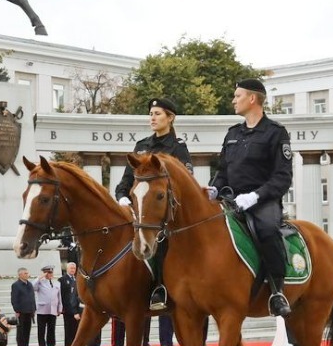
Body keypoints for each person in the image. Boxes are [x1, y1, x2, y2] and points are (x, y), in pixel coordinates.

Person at [209, 78, 295, 316]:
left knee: (267, 231)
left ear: (252, 98)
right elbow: (223, 171)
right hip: (230, 199)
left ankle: (277, 291)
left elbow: (282, 177)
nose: (233, 100)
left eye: (237, 96)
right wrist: (214, 189)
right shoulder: (233, 133)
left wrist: (255, 196)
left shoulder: (275, 133)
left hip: (262, 202)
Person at [115, 97, 194, 311]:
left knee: (161, 238)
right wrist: (122, 196)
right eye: (151, 114)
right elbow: (126, 181)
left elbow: (187, 183)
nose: (152, 117)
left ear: (170, 118)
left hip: (165, 214)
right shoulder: (141, 147)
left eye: (158, 113)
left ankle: (159, 287)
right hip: (140, 211)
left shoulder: (178, 148)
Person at [60, 261, 92, 346]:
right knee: (81, 332)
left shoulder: (91, 282)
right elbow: (73, 298)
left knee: (90, 332)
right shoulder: (77, 282)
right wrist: (75, 312)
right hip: (81, 310)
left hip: (90, 310)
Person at [34, 264, 61, 346]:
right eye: (48, 272)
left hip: (53, 309)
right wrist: (40, 277)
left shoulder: (56, 283)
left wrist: (59, 308)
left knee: (51, 329)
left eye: (51, 272)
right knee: (41, 329)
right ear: (45, 273)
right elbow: (32, 286)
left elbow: (59, 296)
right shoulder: (40, 282)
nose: (50, 274)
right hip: (42, 310)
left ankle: (51, 345)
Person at [9, 267, 36, 346]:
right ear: (20, 275)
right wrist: (16, 310)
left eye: (27, 273)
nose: (27, 275)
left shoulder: (30, 284)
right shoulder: (16, 285)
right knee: (21, 330)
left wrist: (33, 308)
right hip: (21, 311)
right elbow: (14, 299)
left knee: (27, 330)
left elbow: (32, 297)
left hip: (29, 310)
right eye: (25, 273)